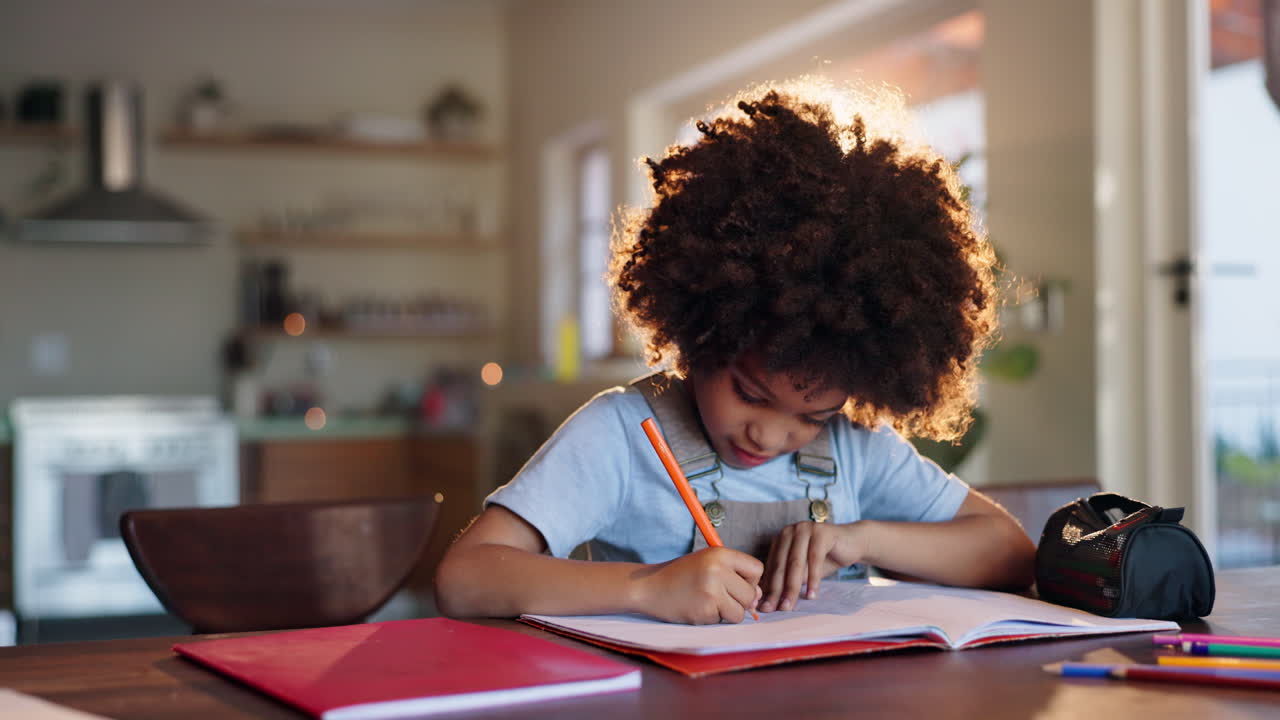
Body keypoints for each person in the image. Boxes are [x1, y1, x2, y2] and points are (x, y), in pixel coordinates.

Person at [436, 81, 1036, 625]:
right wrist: (645, 587)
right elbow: (465, 578)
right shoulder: (622, 433)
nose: (770, 437)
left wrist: (863, 540)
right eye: (750, 394)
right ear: (701, 335)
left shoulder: (855, 446)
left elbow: (1008, 553)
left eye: (813, 416)